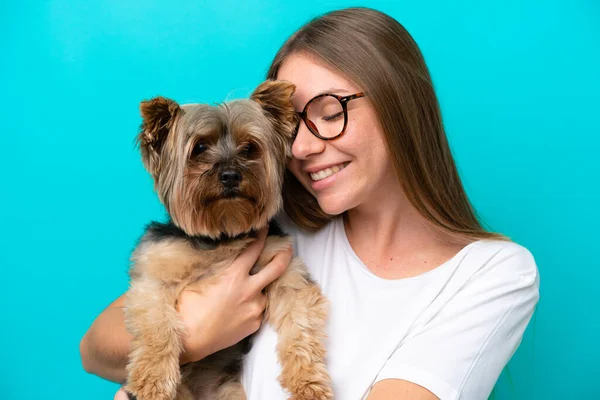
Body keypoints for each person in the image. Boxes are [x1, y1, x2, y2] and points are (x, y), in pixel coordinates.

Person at [80, 7, 540, 400]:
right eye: (293, 124)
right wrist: (196, 336)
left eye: (330, 112)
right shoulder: (267, 225)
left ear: (399, 103)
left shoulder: (493, 275)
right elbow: (95, 348)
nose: (300, 148)